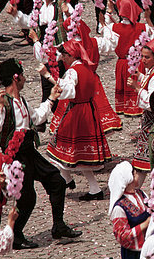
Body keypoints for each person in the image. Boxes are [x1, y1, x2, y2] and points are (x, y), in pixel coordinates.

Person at [0, 58, 81, 249]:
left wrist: (52, 98)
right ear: (16, 77)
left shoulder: (20, 100)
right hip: (16, 155)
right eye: (21, 75)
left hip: (28, 150)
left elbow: (36, 117)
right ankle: (15, 234)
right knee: (27, 197)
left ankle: (58, 226)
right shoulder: (4, 103)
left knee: (56, 180)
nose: (23, 78)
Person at [47, 38, 112, 200]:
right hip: (88, 109)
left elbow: (66, 90)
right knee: (79, 155)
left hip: (78, 112)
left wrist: (47, 76)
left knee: (59, 148)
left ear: (71, 55)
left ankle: (66, 179)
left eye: (64, 55)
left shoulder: (72, 71)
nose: (62, 58)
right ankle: (92, 188)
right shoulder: (86, 67)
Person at [98, 0, 154, 116]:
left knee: (125, 84)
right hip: (138, 63)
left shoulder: (113, 28)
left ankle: (124, 107)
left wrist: (108, 12)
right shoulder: (143, 27)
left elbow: (103, 29)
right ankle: (138, 105)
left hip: (122, 63)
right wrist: (148, 18)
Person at [108, 161, 150, 259]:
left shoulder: (140, 194)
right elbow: (122, 236)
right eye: (133, 172)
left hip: (148, 248)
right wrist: (145, 225)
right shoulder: (119, 207)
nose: (137, 174)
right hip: (134, 253)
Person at [127, 38, 154, 184]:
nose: (143, 60)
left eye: (147, 57)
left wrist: (136, 88)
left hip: (153, 120)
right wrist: (140, 76)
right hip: (152, 119)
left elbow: (153, 101)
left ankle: (137, 190)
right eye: (142, 56)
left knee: (145, 161)